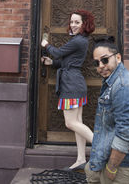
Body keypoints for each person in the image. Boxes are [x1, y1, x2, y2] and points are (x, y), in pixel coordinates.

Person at [85, 36, 129, 184]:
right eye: (97, 62)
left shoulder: (124, 87)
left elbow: (125, 133)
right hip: (105, 157)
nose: (101, 65)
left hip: (121, 165)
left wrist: (112, 168)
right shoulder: (112, 82)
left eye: (105, 60)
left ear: (118, 58)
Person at [41, 9, 95, 171]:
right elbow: (66, 61)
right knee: (77, 122)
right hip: (75, 83)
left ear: (84, 24)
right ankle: (80, 159)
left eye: (77, 22)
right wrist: (53, 63)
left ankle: (102, 147)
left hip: (71, 85)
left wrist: (46, 45)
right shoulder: (80, 40)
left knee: (70, 123)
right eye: (71, 22)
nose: (73, 25)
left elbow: (58, 52)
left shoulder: (78, 41)